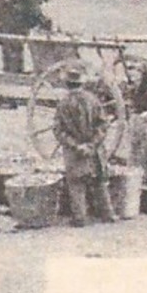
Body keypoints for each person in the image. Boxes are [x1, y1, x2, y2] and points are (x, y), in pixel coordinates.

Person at [52, 67, 114, 226]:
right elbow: (103, 125)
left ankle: (80, 218)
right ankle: (108, 215)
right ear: (82, 83)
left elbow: (59, 131)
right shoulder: (93, 100)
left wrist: (76, 146)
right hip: (94, 150)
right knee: (100, 181)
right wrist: (92, 144)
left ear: (67, 84)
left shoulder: (63, 104)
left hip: (74, 153)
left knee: (76, 184)